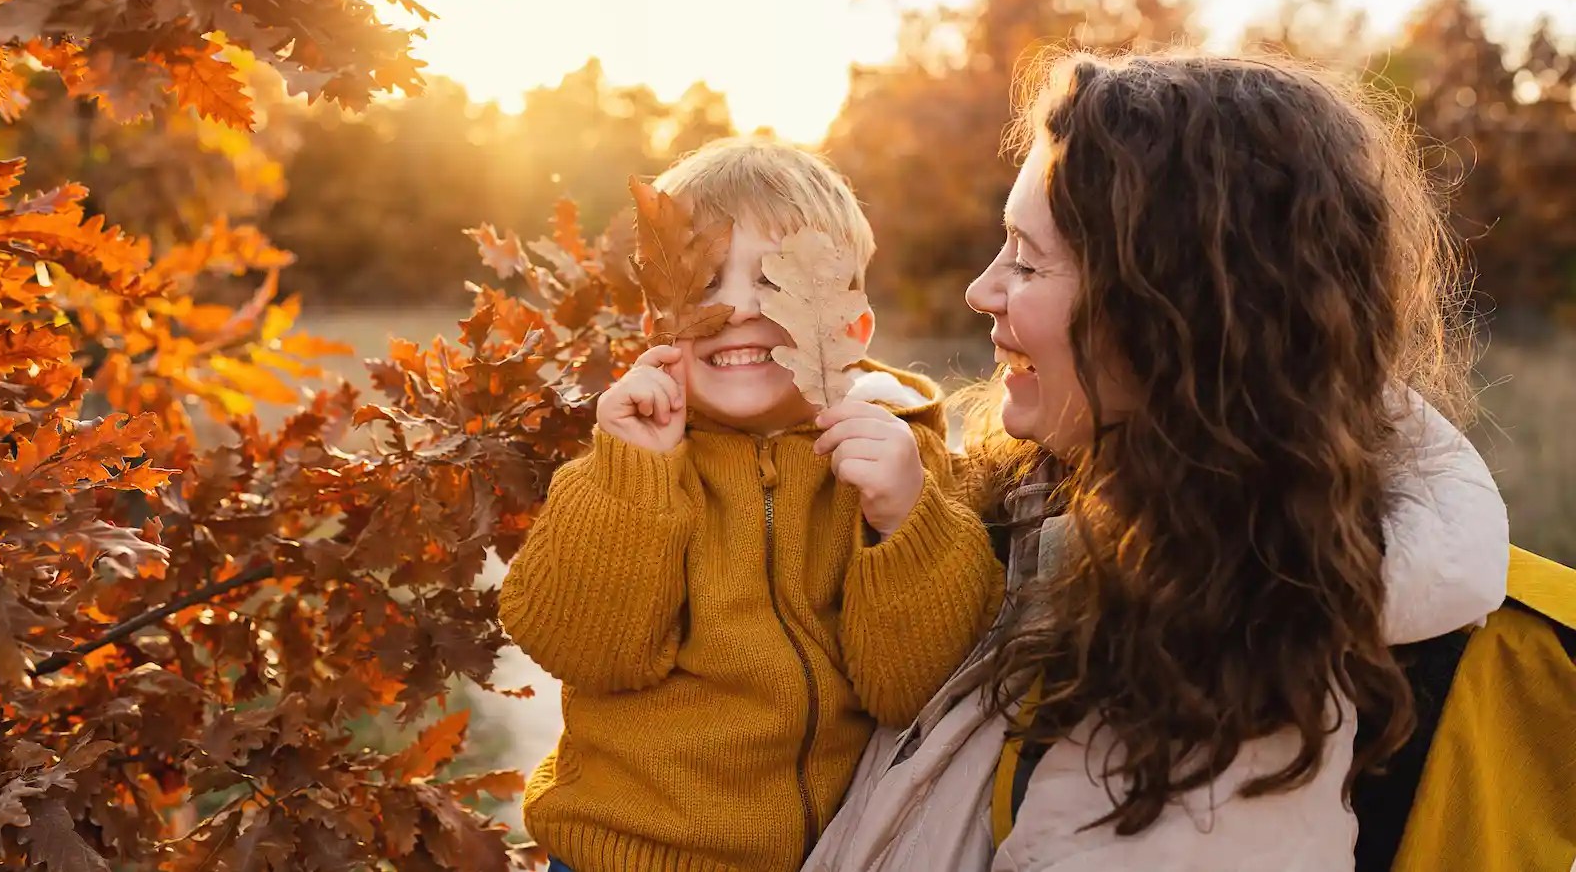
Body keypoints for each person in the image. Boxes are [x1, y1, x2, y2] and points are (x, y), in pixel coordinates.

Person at [803, 53, 1509, 872]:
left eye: (1027, 261)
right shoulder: (1055, 507)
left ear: (1169, 314)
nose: (981, 290)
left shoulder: (1224, 716)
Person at [498, 139, 1006, 872]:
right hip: (625, 854)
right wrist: (633, 478)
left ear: (853, 328)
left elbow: (913, 693)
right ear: (656, 322)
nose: (735, 308)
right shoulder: (635, 460)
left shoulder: (897, 460)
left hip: (833, 855)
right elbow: (585, 651)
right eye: (703, 284)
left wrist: (905, 520)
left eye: (776, 281)